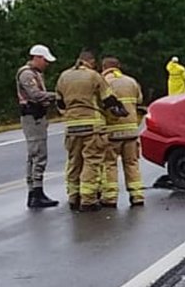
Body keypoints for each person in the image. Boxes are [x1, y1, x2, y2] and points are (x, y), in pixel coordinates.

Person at [56, 50, 128, 211]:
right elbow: (108, 99)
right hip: (92, 126)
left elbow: (59, 103)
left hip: (72, 127)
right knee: (92, 161)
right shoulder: (94, 76)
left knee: (74, 162)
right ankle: (88, 200)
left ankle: (73, 197)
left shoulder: (63, 76)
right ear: (91, 62)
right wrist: (119, 110)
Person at [100, 57, 147, 207]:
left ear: (104, 67)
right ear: (118, 67)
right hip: (131, 130)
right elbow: (139, 100)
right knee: (132, 163)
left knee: (110, 164)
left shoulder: (102, 82)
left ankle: (110, 197)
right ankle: (137, 195)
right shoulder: (131, 81)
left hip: (111, 131)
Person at [17, 44, 60, 209]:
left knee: (36, 154)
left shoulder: (36, 73)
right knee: (37, 154)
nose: (47, 64)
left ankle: (37, 191)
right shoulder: (27, 74)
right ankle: (35, 193)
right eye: (45, 60)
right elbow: (34, 94)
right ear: (37, 58)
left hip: (38, 116)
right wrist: (57, 96)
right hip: (32, 117)